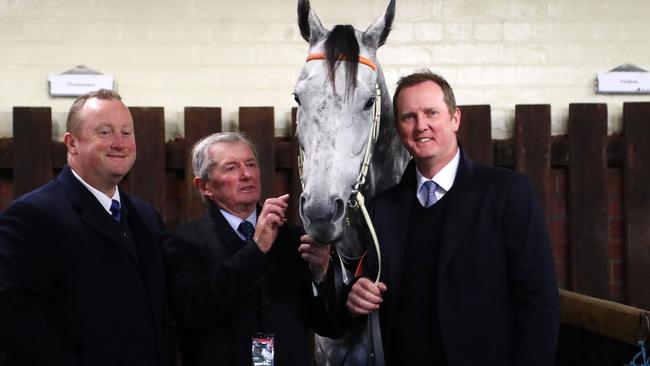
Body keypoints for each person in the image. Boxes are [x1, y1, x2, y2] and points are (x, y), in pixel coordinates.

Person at [345, 70, 560, 365]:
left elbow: (539, 301)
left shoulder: (506, 193)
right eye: (409, 117)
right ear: (398, 127)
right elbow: (370, 282)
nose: (421, 125)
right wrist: (357, 294)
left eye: (431, 112)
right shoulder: (384, 208)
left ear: (454, 118)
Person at [0, 89, 168, 366]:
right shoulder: (31, 217)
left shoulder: (146, 216)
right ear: (72, 143)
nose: (119, 143)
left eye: (126, 132)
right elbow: (15, 321)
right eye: (104, 132)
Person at [163, 132, 341, 366]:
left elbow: (330, 325)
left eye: (250, 164)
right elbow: (195, 311)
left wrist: (321, 274)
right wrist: (256, 249)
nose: (246, 174)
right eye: (231, 168)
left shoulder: (294, 239)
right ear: (204, 186)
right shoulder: (184, 241)